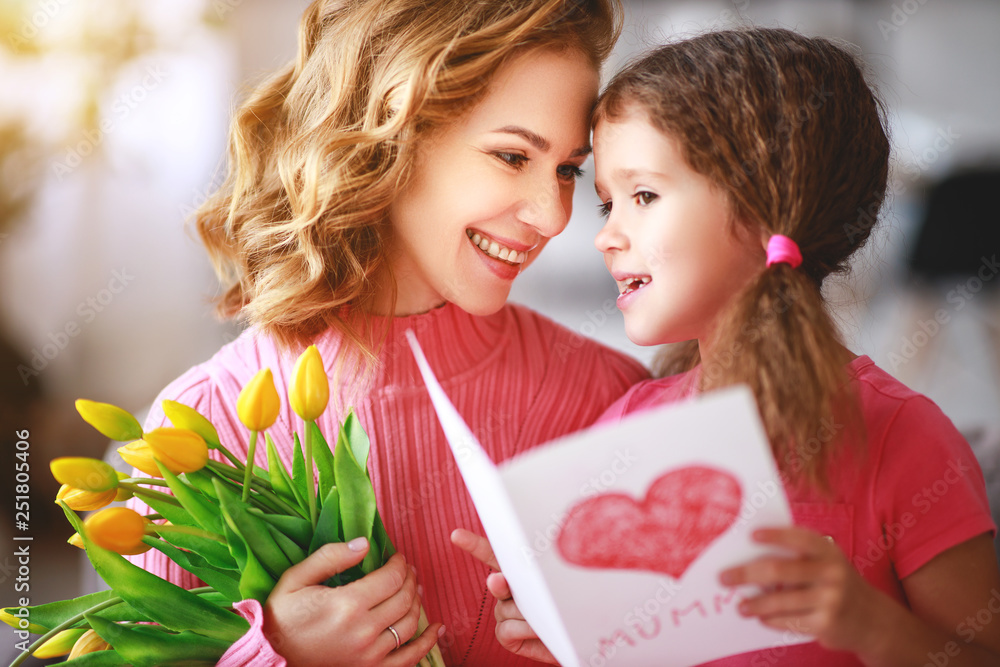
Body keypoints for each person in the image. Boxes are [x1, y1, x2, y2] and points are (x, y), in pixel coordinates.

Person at [454, 28, 1000, 665]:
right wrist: (573, 633)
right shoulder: (630, 425)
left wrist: (870, 625)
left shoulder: (903, 436)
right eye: (607, 205)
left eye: (644, 196)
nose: (607, 236)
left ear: (761, 203)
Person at [127, 1, 649, 666]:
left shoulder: (610, 402)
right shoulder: (200, 431)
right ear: (386, 136)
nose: (552, 215)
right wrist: (276, 651)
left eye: (568, 168)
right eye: (513, 155)